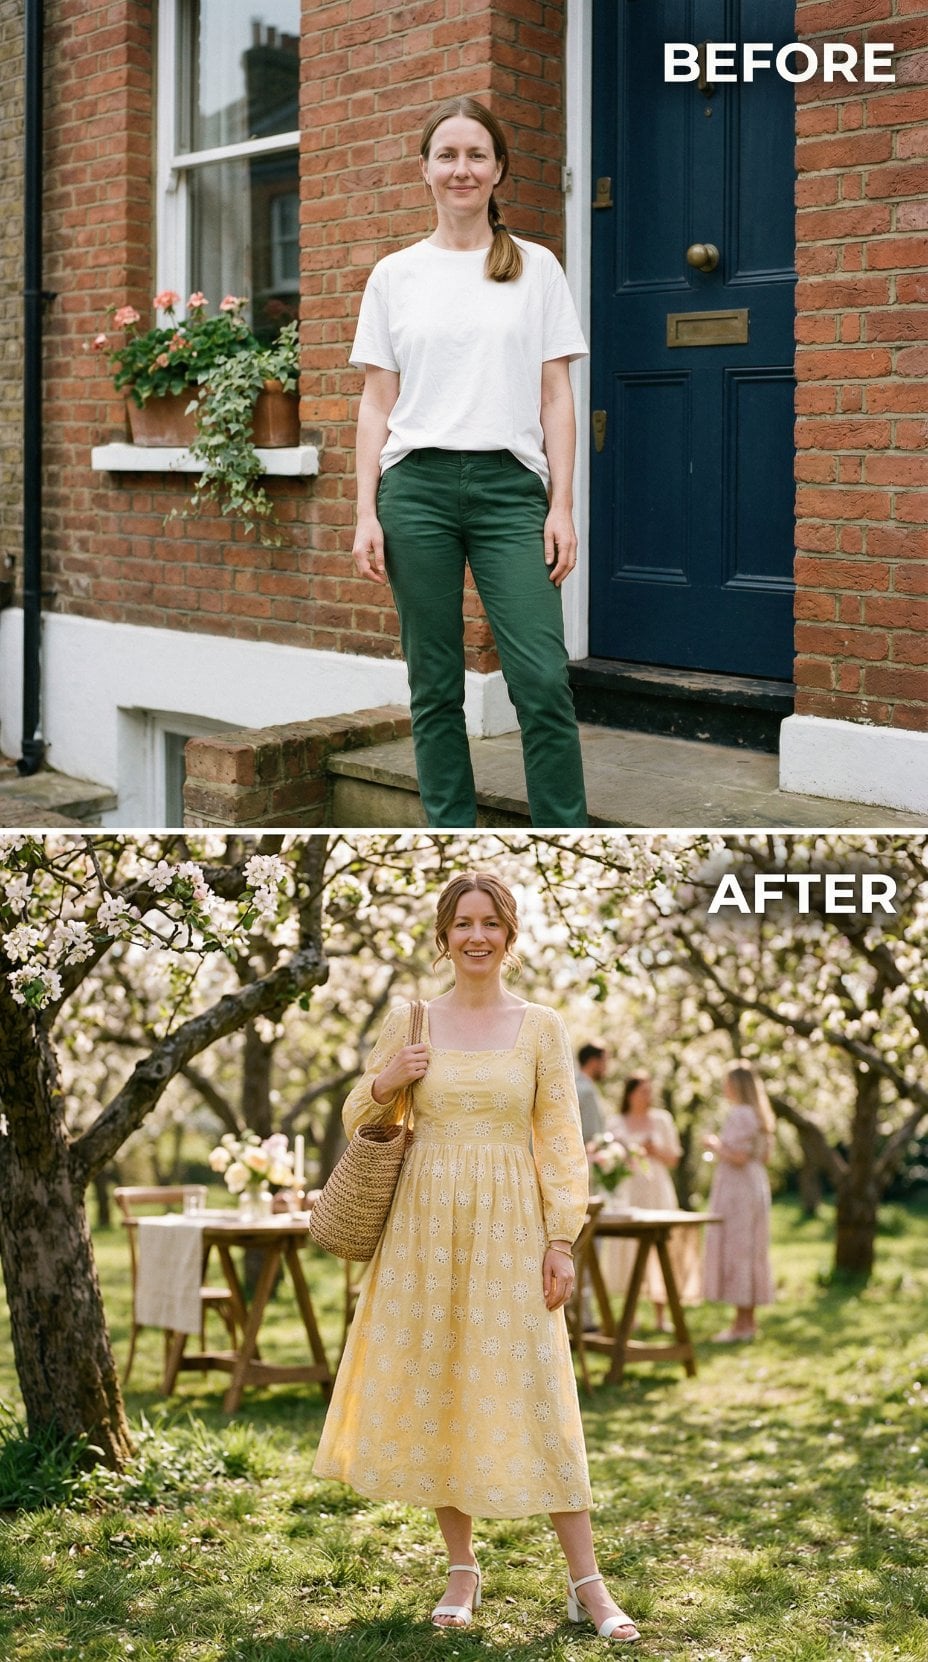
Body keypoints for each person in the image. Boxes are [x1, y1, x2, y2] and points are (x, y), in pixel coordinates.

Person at [313, 872, 639, 1642]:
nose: (476, 936)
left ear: (510, 934)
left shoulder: (541, 1027)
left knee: (540, 1390)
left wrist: (562, 1237)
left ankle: (587, 1583)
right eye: (462, 923)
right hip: (424, 1229)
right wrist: (386, 1079)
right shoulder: (413, 1018)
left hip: (511, 1229)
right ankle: (462, 1569)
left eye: (490, 922)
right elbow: (363, 1113)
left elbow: (560, 1137)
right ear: (443, 935)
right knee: (443, 1386)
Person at [349, 96, 589, 828]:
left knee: (542, 678)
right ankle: (449, 828)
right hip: (414, 490)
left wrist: (562, 505)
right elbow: (375, 402)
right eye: (447, 155)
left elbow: (556, 395)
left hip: (509, 491)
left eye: (476, 154)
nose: (462, 168)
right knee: (433, 684)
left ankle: (560, 828)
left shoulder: (536, 268)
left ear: (498, 170)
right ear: (424, 170)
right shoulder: (395, 275)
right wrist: (364, 511)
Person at [598, 1072, 700, 1331]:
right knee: (629, 1250)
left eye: (649, 1090)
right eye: (643, 1090)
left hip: (657, 1190)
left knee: (659, 1246)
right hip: (629, 1191)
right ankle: (630, 1315)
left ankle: (660, 1315)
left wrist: (655, 1150)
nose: (648, 1096)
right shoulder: (616, 1122)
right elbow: (609, 1159)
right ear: (630, 1093)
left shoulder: (662, 1120)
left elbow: (674, 1158)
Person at [702, 1061, 776, 1342]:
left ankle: (740, 1326)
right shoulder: (759, 1114)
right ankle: (747, 1321)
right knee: (751, 1249)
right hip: (755, 1184)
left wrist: (714, 1144)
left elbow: (738, 1156)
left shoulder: (740, 1114)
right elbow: (763, 1157)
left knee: (739, 1249)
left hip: (738, 1189)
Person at [575, 1042, 609, 1145]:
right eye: (604, 1061)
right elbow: (591, 1133)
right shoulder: (586, 1091)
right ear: (593, 1062)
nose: (606, 1067)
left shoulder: (573, 1084)